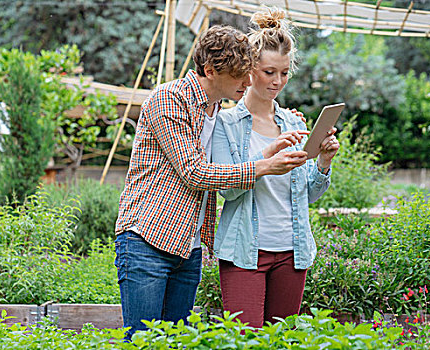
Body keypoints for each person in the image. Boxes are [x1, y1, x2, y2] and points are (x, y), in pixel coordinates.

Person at [114, 24, 310, 335]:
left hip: (187, 245)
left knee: (177, 342)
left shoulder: (216, 110)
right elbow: (195, 172)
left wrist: (274, 139)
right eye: (239, 76)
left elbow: (242, 142)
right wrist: (264, 166)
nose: (248, 82)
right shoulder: (170, 99)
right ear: (210, 70)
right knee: (142, 341)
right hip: (146, 241)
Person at [211, 8, 340, 328]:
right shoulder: (226, 124)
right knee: (245, 339)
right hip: (244, 252)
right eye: (269, 72)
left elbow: (307, 194)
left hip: (292, 251)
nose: (277, 81)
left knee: (284, 340)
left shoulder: (294, 123)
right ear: (250, 69)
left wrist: (323, 161)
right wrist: (267, 163)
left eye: (284, 73)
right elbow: (225, 188)